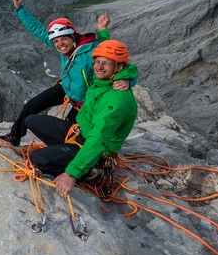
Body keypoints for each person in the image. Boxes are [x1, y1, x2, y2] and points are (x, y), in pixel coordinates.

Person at [0, 0, 133, 146]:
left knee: (71, 136)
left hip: (84, 102)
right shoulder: (64, 49)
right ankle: (15, 136)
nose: (60, 44)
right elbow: (38, 30)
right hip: (65, 88)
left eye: (64, 39)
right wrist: (20, 9)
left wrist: (128, 80)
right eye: (56, 41)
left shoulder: (89, 51)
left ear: (73, 37)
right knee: (31, 106)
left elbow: (115, 59)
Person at [25, 39, 139, 197]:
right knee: (31, 120)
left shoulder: (117, 99)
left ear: (118, 67)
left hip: (94, 147)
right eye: (97, 62)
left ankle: (91, 171)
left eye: (105, 63)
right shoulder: (102, 83)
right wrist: (131, 78)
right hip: (79, 133)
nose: (98, 67)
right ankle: (63, 154)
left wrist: (72, 173)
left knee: (37, 158)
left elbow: (98, 138)